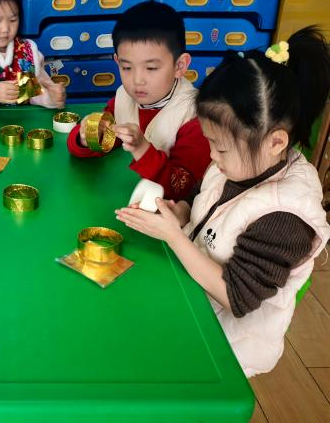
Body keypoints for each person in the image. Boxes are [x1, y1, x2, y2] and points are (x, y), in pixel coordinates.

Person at [116, 27, 330, 377]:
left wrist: (173, 236)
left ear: (276, 143)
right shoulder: (239, 163)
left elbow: (236, 297)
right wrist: (182, 211)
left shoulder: (285, 215)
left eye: (221, 147)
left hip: (225, 346)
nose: (212, 157)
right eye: (210, 143)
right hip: (194, 302)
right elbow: (204, 197)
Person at [68, 1, 211, 201]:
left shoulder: (194, 117)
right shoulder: (124, 99)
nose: (137, 80)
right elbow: (100, 142)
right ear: (117, 61)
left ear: (179, 66)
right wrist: (86, 138)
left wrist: (142, 149)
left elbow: (183, 189)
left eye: (151, 68)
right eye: (127, 68)